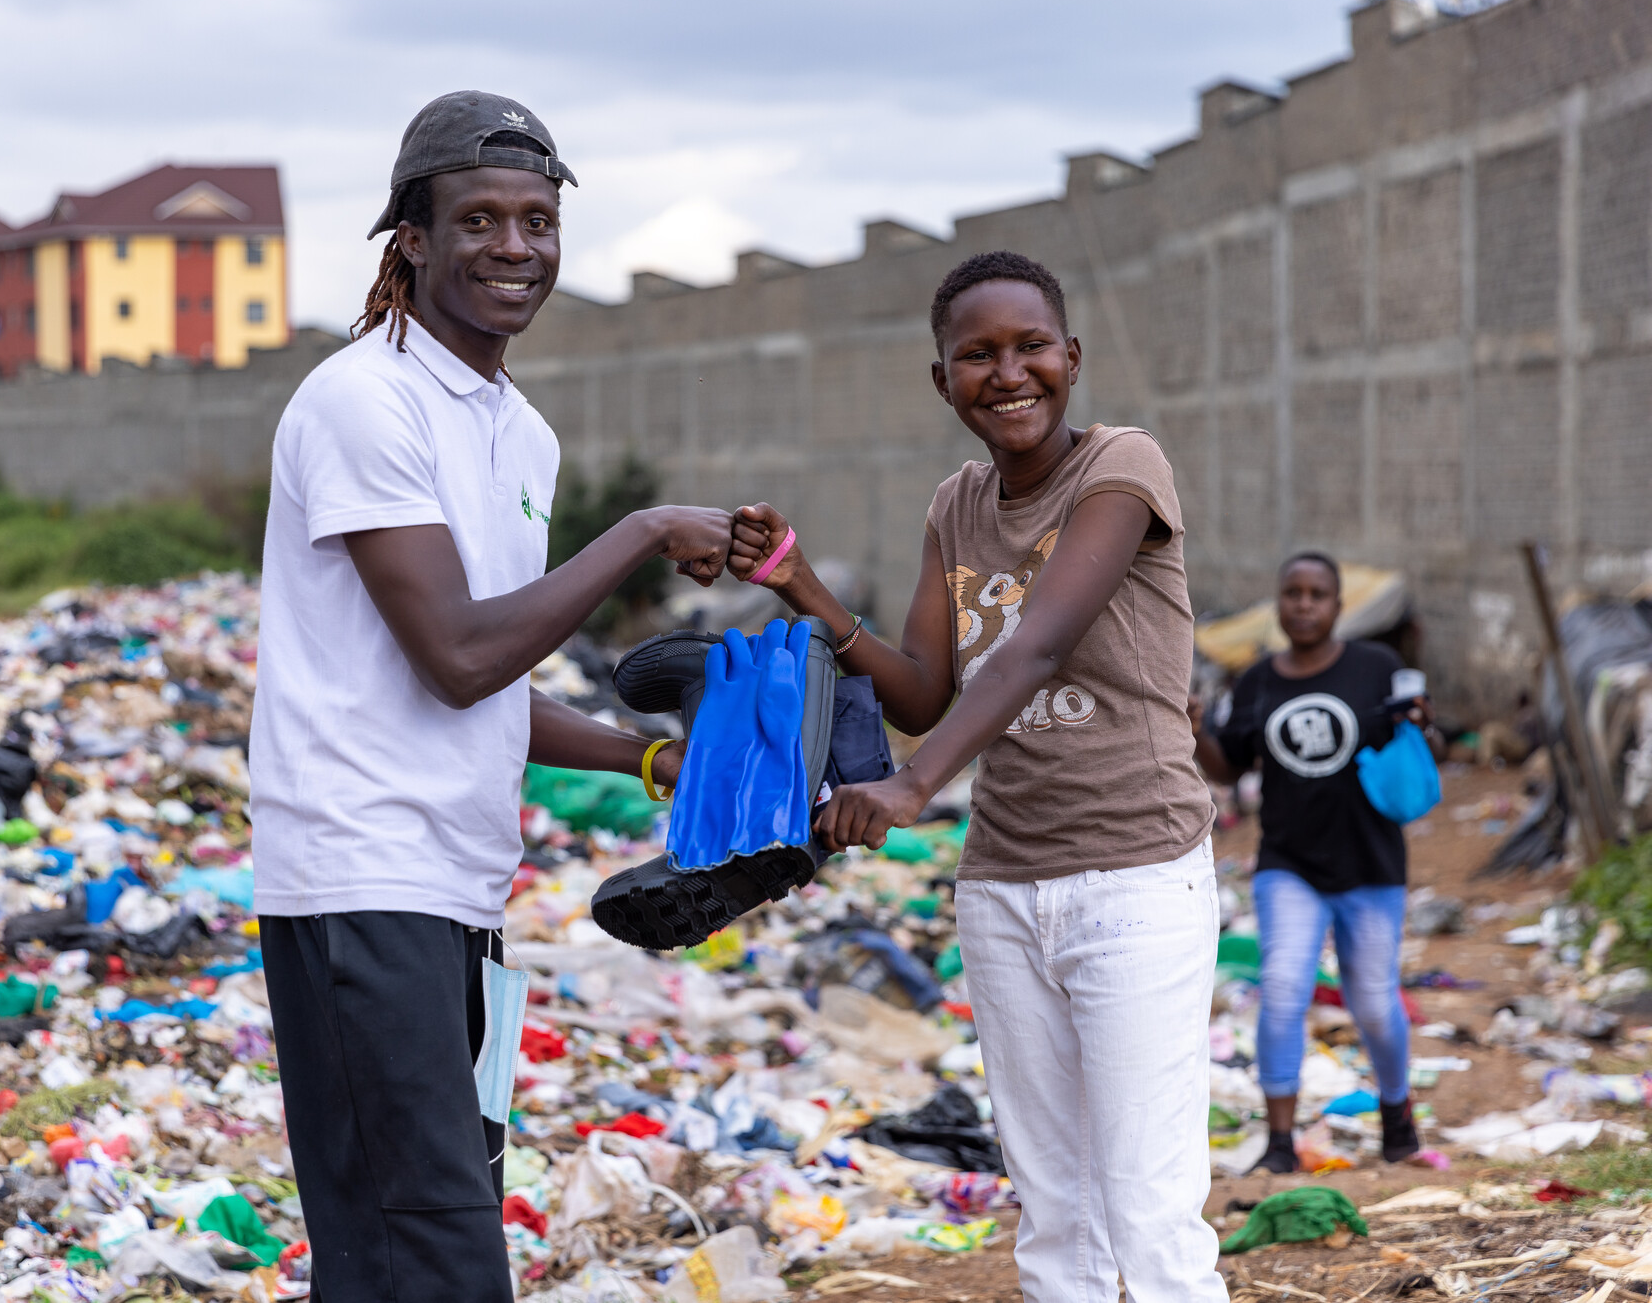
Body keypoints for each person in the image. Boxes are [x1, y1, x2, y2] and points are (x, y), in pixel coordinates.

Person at [249, 91, 734, 1302]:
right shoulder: (365, 402)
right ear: (408, 238)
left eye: (537, 220)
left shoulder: (522, 434)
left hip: (454, 891)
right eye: (479, 219)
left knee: (395, 1247)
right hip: (360, 878)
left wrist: (650, 760)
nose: (515, 247)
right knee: (439, 1249)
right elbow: (457, 655)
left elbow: (491, 684)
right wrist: (642, 532)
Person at [733, 251, 1227, 1303]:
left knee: (1146, 1209)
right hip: (1002, 887)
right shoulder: (954, 505)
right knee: (1054, 1213)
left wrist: (910, 788)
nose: (1008, 373)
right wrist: (798, 583)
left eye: (1030, 347)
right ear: (941, 379)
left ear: (1071, 358)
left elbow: (1033, 646)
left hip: (1136, 878)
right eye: (976, 354)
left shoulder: (1120, 468)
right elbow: (920, 688)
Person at [1189, 552, 1443, 1172]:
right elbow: (1231, 767)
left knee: (1375, 1003)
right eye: (1293, 593)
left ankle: (1396, 1119)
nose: (1304, 604)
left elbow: (1422, 746)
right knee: (1280, 990)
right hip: (1288, 862)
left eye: (1317, 594)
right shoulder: (1257, 682)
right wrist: (1194, 733)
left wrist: (1423, 727)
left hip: (1371, 861)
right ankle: (1280, 1144)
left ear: (1337, 605)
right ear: (1279, 603)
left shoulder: (1376, 668)